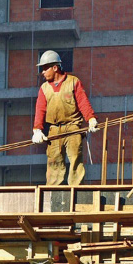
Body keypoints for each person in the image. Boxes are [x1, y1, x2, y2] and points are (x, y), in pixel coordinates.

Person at [31, 50, 98, 185]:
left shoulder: (73, 82)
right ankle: (53, 193)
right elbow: (40, 109)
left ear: (55, 67)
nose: (42, 72)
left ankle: (76, 189)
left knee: (75, 160)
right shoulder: (44, 88)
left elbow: (82, 101)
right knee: (54, 162)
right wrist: (37, 129)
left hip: (73, 127)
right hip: (54, 130)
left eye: (45, 68)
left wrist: (90, 118)